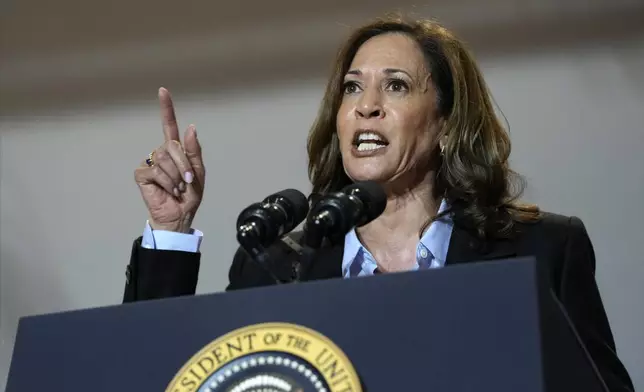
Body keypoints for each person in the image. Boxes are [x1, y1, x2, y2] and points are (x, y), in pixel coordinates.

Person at [123, 15, 634, 391]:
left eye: (396, 85)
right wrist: (172, 227)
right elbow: (160, 372)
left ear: (447, 123)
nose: (367, 106)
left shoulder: (543, 251)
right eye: (352, 89)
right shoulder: (278, 268)